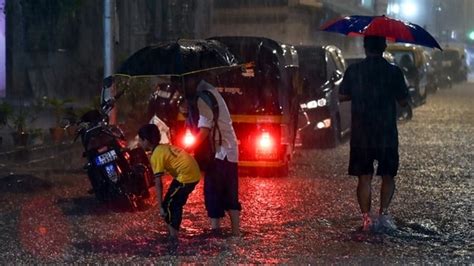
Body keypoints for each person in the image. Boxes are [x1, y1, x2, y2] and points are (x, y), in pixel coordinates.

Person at [339, 36, 409, 232]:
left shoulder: (354, 71)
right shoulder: (393, 72)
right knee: (388, 175)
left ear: (365, 47)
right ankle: (383, 215)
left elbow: (342, 95)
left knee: (364, 177)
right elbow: (404, 101)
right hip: (386, 133)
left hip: (362, 133)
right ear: (384, 47)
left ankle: (366, 219)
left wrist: (360, 92)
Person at [183, 75, 241, 236]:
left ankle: (221, 233)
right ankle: (232, 233)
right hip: (227, 150)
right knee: (224, 192)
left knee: (216, 192)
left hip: (221, 152)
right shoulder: (210, 92)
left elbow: (204, 129)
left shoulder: (203, 98)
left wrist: (187, 148)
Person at [137, 124, 200, 241]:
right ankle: (173, 233)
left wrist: (160, 205)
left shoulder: (156, 155)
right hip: (190, 172)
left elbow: (158, 182)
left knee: (170, 205)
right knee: (173, 202)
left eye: (140, 140)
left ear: (146, 140)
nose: (139, 143)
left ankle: (173, 237)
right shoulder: (163, 148)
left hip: (187, 177)